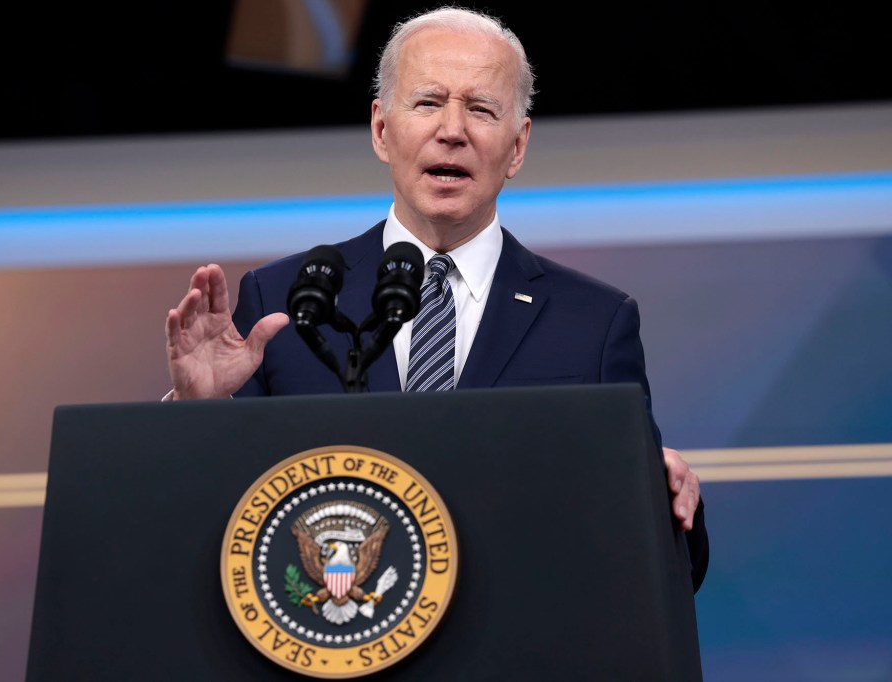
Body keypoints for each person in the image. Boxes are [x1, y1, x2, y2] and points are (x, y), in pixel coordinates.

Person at [164, 6, 707, 591]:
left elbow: (659, 568)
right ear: (380, 130)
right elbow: (208, 537)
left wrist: (667, 502)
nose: (453, 129)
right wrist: (195, 413)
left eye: (481, 109)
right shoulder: (286, 301)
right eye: (427, 103)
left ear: (518, 145)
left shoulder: (594, 323)